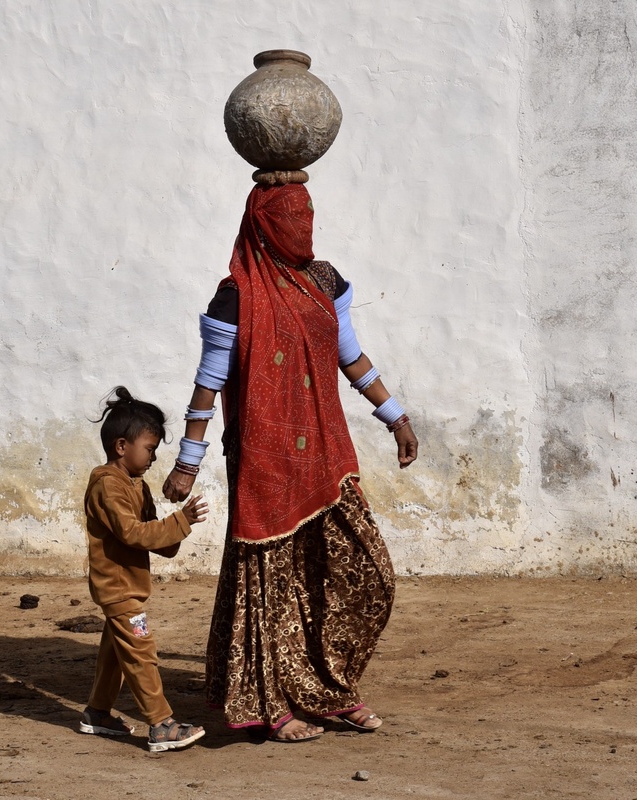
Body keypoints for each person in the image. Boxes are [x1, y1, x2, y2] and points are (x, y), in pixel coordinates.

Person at [163, 183, 419, 743]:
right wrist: (188, 460)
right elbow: (209, 384)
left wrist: (395, 415)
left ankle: (330, 688)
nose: (303, 225)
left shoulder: (326, 282)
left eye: (307, 214)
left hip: (327, 454)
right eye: (290, 216)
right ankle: (270, 700)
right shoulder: (237, 295)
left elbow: (349, 355)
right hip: (264, 459)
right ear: (263, 223)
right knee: (271, 584)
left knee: (366, 571)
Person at [80, 386, 209, 752]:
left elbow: (159, 540)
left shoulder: (136, 485)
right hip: (118, 588)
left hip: (126, 587)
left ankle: (97, 713)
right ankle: (161, 724)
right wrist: (179, 522)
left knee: (116, 654)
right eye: (149, 449)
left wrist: (180, 522)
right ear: (122, 447)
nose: (153, 458)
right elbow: (133, 533)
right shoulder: (107, 485)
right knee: (140, 651)